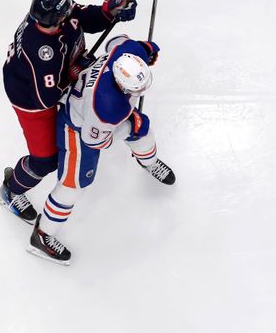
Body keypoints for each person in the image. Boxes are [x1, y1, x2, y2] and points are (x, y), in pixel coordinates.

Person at [28, 35, 176, 265]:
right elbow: (95, 141)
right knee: (72, 187)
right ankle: (43, 235)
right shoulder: (106, 108)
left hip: (96, 112)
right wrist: (126, 128)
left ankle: (148, 162)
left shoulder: (128, 52)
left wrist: (146, 49)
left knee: (143, 131)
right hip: (77, 128)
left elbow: (116, 42)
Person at [0, 0, 137, 222]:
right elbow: (46, 97)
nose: (70, 13)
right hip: (32, 101)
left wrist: (109, 11)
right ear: (56, 20)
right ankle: (10, 190)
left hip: (54, 81)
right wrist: (73, 73)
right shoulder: (41, 51)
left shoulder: (56, 13)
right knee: (45, 161)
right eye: (65, 15)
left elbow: (82, 17)